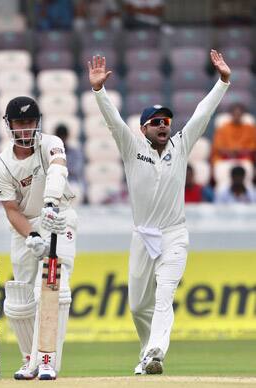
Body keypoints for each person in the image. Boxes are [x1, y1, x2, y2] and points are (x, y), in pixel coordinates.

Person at [88, 50, 230, 375]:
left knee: (164, 295)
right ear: (143, 128)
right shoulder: (131, 146)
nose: (164, 126)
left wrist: (222, 82)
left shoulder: (180, 146)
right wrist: (99, 91)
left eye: (166, 121)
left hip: (174, 234)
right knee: (138, 305)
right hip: (142, 234)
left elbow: (201, 116)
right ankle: (145, 355)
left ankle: (156, 353)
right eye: (156, 122)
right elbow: (112, 120)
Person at [0, 96, 78, 380]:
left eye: (30, 122)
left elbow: (59, 168)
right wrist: (33, 235)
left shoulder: (51, 143)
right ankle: (32, 361)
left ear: (37, 123)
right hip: (25, 227)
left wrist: (51, 203)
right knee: (20, 300)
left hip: (59, 216)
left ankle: (49, 360)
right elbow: (12, 210)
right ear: (10, 125)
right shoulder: (1, 165)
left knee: (54, 289)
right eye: (20, 123)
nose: (26, 129)